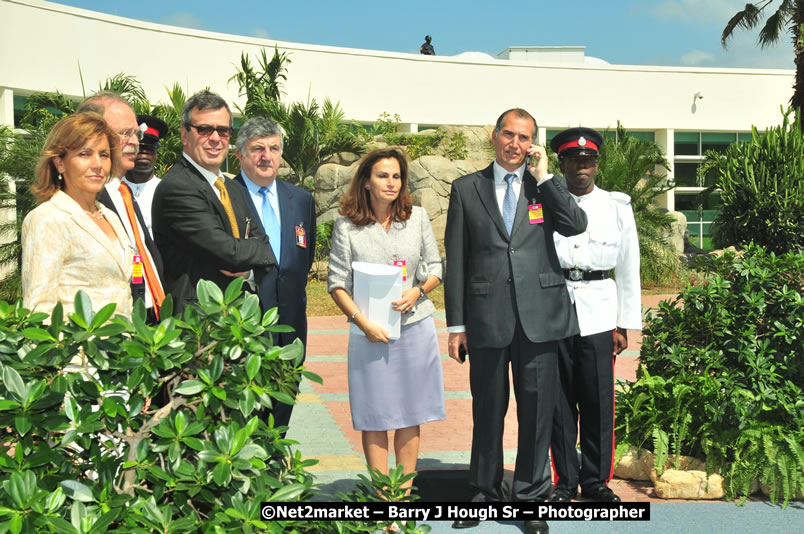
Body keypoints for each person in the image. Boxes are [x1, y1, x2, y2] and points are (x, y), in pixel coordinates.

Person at [444, 108, 587, 534]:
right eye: (509, 134)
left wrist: (546, 177)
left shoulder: (542, 187)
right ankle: (485, 494)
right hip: (486, 317)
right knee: (488, 408)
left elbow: (575, 225)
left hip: (540, 318)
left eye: (524, 138)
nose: (515, 144)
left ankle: (529, 498)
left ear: (533, 145)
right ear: (494, 136)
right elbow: (458, 258)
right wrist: (456, 326)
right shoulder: (466, 189)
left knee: (537, 411)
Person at [328, 148, 445, 495]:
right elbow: (336, 284)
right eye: (382, 175)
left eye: (396, 176)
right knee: (375, 414)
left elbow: (437, 268)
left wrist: (419, 292)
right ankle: (383, 499)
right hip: (369, 333)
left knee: (411, 414)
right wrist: (363, 323)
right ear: (366, 182)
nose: (391, 183)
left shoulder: (419, 218)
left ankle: (403, 495)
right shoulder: (346, 226)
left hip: (415, 328)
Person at [548, 127, 641, 503]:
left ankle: (596, 481)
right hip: (554, 310)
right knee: (559, 401)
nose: (580, 167)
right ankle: (564, 481)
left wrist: (624, 323)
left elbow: (629, 266)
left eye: (587, 161)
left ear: (597, 165)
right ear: (563, 164)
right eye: (573, 161)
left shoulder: (617, 206)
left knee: (599, 400)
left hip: (601, 310)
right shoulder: (543, 202)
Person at [151, 90, 275, 314]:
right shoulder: (177, 188)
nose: (216, 138)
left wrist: (248, 270)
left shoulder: (233, 188)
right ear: (185, 134)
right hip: (199, 326)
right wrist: (253, 250)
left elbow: (264, 244)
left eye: (223, 130)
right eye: (205, 129)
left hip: (239, 322)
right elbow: (230, 253)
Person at [233, 116, 317, 431]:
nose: (266, 156)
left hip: (292, 324)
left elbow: (302, 258)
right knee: (245, 413)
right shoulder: (227, 195)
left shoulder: (301, 200)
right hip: (247, 326)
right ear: (240, 154)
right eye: (257, 149)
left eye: (273, 148)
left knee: (282, 405)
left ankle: (273, 466)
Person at [22, 111, 133, 317]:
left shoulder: (110, 216)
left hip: (123, 344)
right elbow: (38, 309)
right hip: (76, 346)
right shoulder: (48, 219)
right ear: (60, 163)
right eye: (84, 154)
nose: (97, 165)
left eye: (104, 154)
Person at [77, 93, 166, 323]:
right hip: (111, 328)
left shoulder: (123, 192)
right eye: (125, 133)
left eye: (136, 133)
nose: (135, 142)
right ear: (91, 134)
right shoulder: (81, 202)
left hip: (150, 318)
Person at [123, 114, 168, 237]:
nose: (144, 152)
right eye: (139, 147)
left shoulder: (167, 191)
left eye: (150, 148)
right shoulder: (112, 189)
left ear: (156, 154)